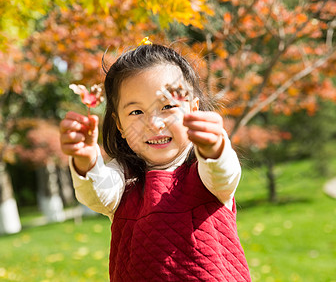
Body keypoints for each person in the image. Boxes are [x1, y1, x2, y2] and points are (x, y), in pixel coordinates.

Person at [60, 41, 251, 281]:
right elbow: (99, 192)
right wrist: (86, 160)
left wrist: (214, 147)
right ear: (118, 124)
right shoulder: (124, 180)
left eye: (167, 106)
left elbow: (224, 173)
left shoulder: (204, 172)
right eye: (136, 112)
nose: (154, 123)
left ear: (193, 108)